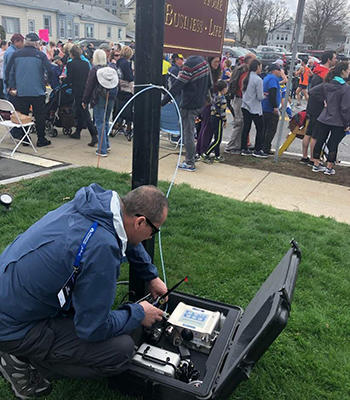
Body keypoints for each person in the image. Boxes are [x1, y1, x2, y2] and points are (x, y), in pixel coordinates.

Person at [0, 183, 168, 399]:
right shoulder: (102, 248)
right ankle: (22, 360)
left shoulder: (100, 204)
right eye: (154, 231)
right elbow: (92, 328)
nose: (151, 237)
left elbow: (126, 237)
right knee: (121, 350)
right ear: (140, 222)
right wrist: (138, 313)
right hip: (12, 326)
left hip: (11, 292)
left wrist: (151, 276)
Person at [161, 55, 210, 172]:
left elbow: (176, 87)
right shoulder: (204, 64)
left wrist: (162, 102)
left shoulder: (188, 67)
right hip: (200, 103)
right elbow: (210, 84)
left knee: (188, 133)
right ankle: (192, 156)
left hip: (189, 105)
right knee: (192, 131)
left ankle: (189, 162)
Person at [5, 33, 52, 147]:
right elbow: (49, 71)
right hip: (38, 91)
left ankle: (25, 138)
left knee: (23, 115)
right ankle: (41, 139)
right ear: (36, 43)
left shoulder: (16, 55)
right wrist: (46, 82)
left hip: (21, 91)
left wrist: (11, 86)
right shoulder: (41, 55)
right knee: (39, 116)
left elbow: (8, 71)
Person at [312, 61, 350, 175]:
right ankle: (329, 167)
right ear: (343, 71)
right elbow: (345, 108)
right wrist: (347, 123)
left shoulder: (327, 83)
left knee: (320, 140)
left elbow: (312, 91)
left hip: (324, 117)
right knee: (333, 143)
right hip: (338, 120)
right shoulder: (345, 88)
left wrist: (324, 100)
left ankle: (316, 164)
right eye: (348, 69)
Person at [301, 50, 337, 165]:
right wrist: (325, 101)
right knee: (315, 135)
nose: (336, 60)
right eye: (334, 58)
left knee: (309, 132)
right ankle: (313, 158)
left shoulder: (317, 70)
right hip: (319, 108)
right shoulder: (325, 74)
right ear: (329, 59)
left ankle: (305, 156)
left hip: (312, 106)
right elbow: (320, 91)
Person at [83, 49, 118, 157]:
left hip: (98, 98)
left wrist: (85, 100)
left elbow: (89, 87)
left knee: (100, 123)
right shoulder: (111, 68)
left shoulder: (94, 70)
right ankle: (106, 144)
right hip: (111, 96)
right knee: (106, 121)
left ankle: (102, 149)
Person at [65, 45, 98, 146]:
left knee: (84, 112)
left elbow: (69, 79)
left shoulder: (70, 64)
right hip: (86, 89)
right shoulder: (85, 63)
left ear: (72, 54)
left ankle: (93, 134)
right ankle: (78, 132)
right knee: (81, 111)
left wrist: (63, 80)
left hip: (77, 90)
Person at [225, 53, 256, 154]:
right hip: (240, 99)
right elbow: (244, 87)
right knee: (239, 123)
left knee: (241, 123)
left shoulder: (240, 70)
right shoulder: (245, 73)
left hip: (238, 98)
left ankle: (237, 145)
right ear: (249, 61)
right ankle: (231, 145)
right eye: (254, 60)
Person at [195, 56, 221, 158]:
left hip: (210, 102)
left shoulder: (215, 73)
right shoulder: (207, 74)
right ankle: (202, 150)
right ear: (209, 62)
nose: (217, 64)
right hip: (207, 103)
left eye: (219, 62)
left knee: (205, 127)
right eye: (215, 62)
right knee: (206, 128)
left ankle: (201, 149)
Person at [240, 59, 266, 157]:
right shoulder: (258, 80)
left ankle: (243, 148)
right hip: (254, 108)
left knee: (246, 128)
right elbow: (259, 97)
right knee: (260, 128)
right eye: (260, 67)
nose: (261, 69)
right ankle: (258, 149)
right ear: (257, 67)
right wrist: (264, 96)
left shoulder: (246, 77)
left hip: (245, 105)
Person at [201, 79, 227, 163]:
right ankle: (206, 153)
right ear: (223, 89)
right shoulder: (222, 99)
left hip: (212, 117)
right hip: (218, 119)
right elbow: (222, 112)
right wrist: (225, 120)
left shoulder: (215, 96)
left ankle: (217, 155)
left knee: (216, 137)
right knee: (218, 139)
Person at [112, 46, 134, 139]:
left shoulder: (119, 62)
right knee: (128, 109)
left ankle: (118, 124)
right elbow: (129, 77)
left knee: (119, 108)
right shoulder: (126, 63)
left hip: (119, 88)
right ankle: (128, 129)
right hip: (127, 89)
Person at [261, 63, 282, 155]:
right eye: (279, 70)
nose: (280, 72)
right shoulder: (273, 79)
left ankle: (262, 146)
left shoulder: (266, 78)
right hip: (269, 108)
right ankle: (266, 148)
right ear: (274, 70)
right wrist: (275, 107)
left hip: (264, 107)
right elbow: (272, 93)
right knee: (271, 129)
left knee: (265, 128)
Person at [2, 33, 24, 98]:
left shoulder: (10, 50)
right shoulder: (12, 53)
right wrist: (12, 87)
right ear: (15, 42)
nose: (23, 44)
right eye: (21, 41)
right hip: (12, 88)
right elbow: (11, 71)